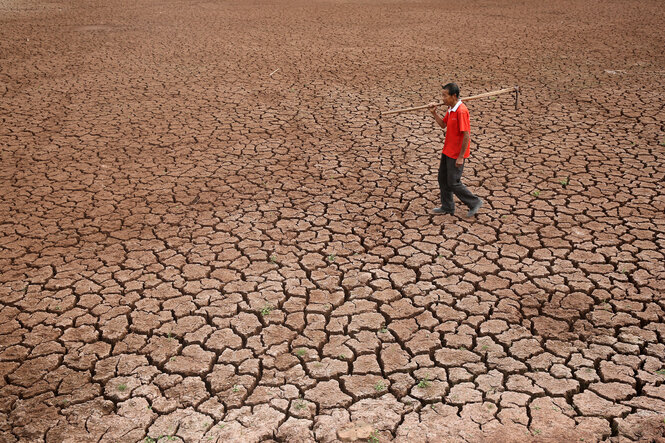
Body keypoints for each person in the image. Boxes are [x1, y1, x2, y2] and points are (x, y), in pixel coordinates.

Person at [428, 83, 483, 217]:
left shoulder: (461, 111)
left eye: (445, 96)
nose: (443, 99)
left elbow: (466, 135)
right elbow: (443, 125)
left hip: (456, 153)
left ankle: (474, 202)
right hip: (447, 150)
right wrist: (434, 113)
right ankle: (447, 206)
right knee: (442, 179)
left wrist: (460, 156)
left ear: (453, 96)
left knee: (453, 182)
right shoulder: (451, 108)